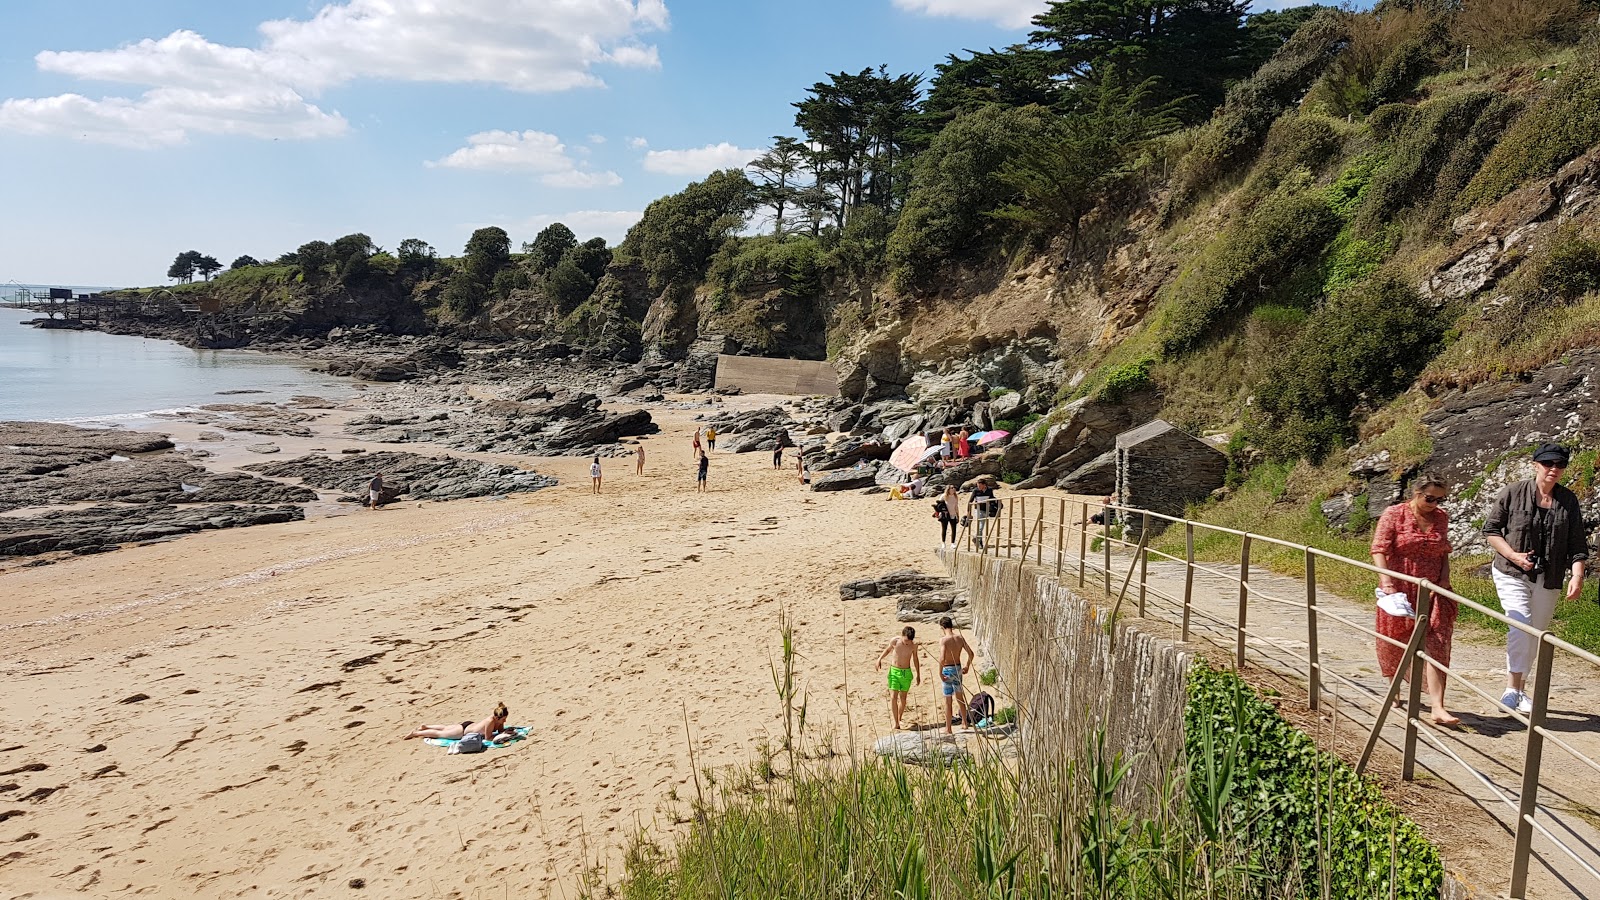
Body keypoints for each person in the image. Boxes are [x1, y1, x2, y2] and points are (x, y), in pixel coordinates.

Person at [1483, 443, 1589, 715]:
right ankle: (1511, 688)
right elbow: (1492, 530)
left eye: (1560, 465)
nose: (1554, 469)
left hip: (1549, 576)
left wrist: (1577, 575)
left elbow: (1577, 543)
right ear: (1535, 464)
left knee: (1537, 635)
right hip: (1511, 571)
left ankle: (1520, 689)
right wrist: (1514, 555)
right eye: (1548, 463)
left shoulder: (1568, 500)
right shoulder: (1514, 492)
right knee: (1521, 626)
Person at [1371, 476, 1458, 725]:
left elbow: (1443, 551)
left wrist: (1444, 579)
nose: (1434, 504)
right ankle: (1395, 690)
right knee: (1396, 640)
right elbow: (1379, 548)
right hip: (1400, 584)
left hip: (1432, 589)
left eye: (1440, 499)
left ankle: (1438, 707)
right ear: (1416, 493)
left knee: (1437, 644)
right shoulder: (1394, 514)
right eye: (1429, 498)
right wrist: (1386, 581)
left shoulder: (1441, 517)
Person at [876, 626, 922, 730]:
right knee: (893, 697)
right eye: (905, 640)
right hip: (894, 671)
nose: (907, 643)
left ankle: (899, 717)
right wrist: (879, 659)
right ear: (902, 636)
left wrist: (918, 674)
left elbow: (915, 658)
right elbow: (888, 650)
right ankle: (896, 722)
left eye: (909, 641)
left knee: (903, 698)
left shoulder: (914, 645)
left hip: (906, 673)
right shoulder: (895, 641)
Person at [403, 702, 516, 743]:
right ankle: (416, 733)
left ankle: (425, 726)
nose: (505, 721)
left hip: (469, 725)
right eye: (503, 719)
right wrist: (503, 736)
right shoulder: (490, 721)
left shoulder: (498, 719)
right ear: (497, 718)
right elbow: (488, 738)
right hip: (463, 732)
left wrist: (506, 732)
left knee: (445, 728)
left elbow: (500, 731)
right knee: (439, 734)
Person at [936, 616, 975, 735]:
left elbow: (942, 658)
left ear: (942, 627)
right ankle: (964, 723)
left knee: (948, 700)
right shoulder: (960, 638)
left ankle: (948, 728)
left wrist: (940, 673)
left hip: (947, 670)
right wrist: (967, 666)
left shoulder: (944, 640)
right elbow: (971, 653)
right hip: (958, 669)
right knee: (960, 698)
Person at [969, 476, 998, 550]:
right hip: (978, 510)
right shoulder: (975, 491)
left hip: (986, 510)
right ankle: (980, 542)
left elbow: (991, 498)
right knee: (981, 526)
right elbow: (970, 501)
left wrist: (996, 503)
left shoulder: (989, 490)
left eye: (980, 485)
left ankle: (976, 538)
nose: (978, 487)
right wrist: (968, 512)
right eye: (978, 485)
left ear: (984, 485)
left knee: (981, 526)